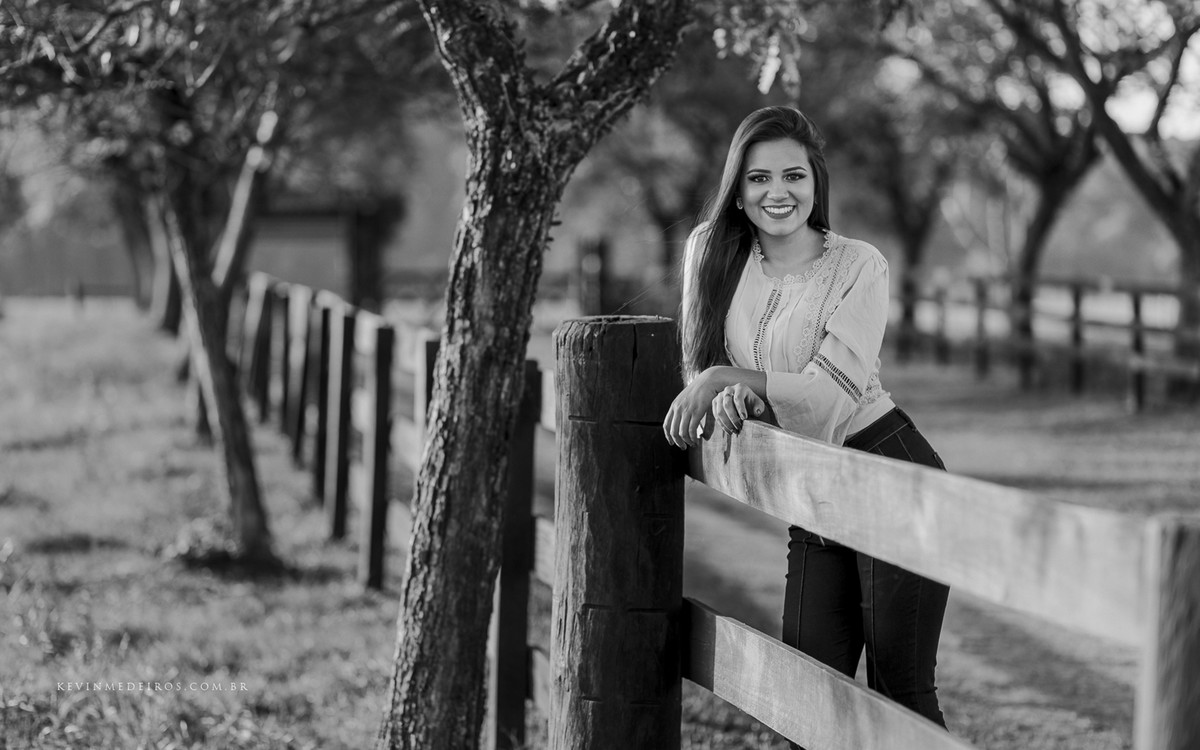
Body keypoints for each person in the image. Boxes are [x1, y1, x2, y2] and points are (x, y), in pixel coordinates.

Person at [662, 105, 950, 732]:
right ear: (737, 192)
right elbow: (700, 369)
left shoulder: (859, 265)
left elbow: (824, 403)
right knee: (806, 701)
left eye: (793, 176)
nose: (778, 192)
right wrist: (732, 395)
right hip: (811, 491)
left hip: (886, 468)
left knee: (899, 696)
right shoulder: (710, 255)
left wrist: (725, 380)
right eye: (759, 178)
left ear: (816, 183)